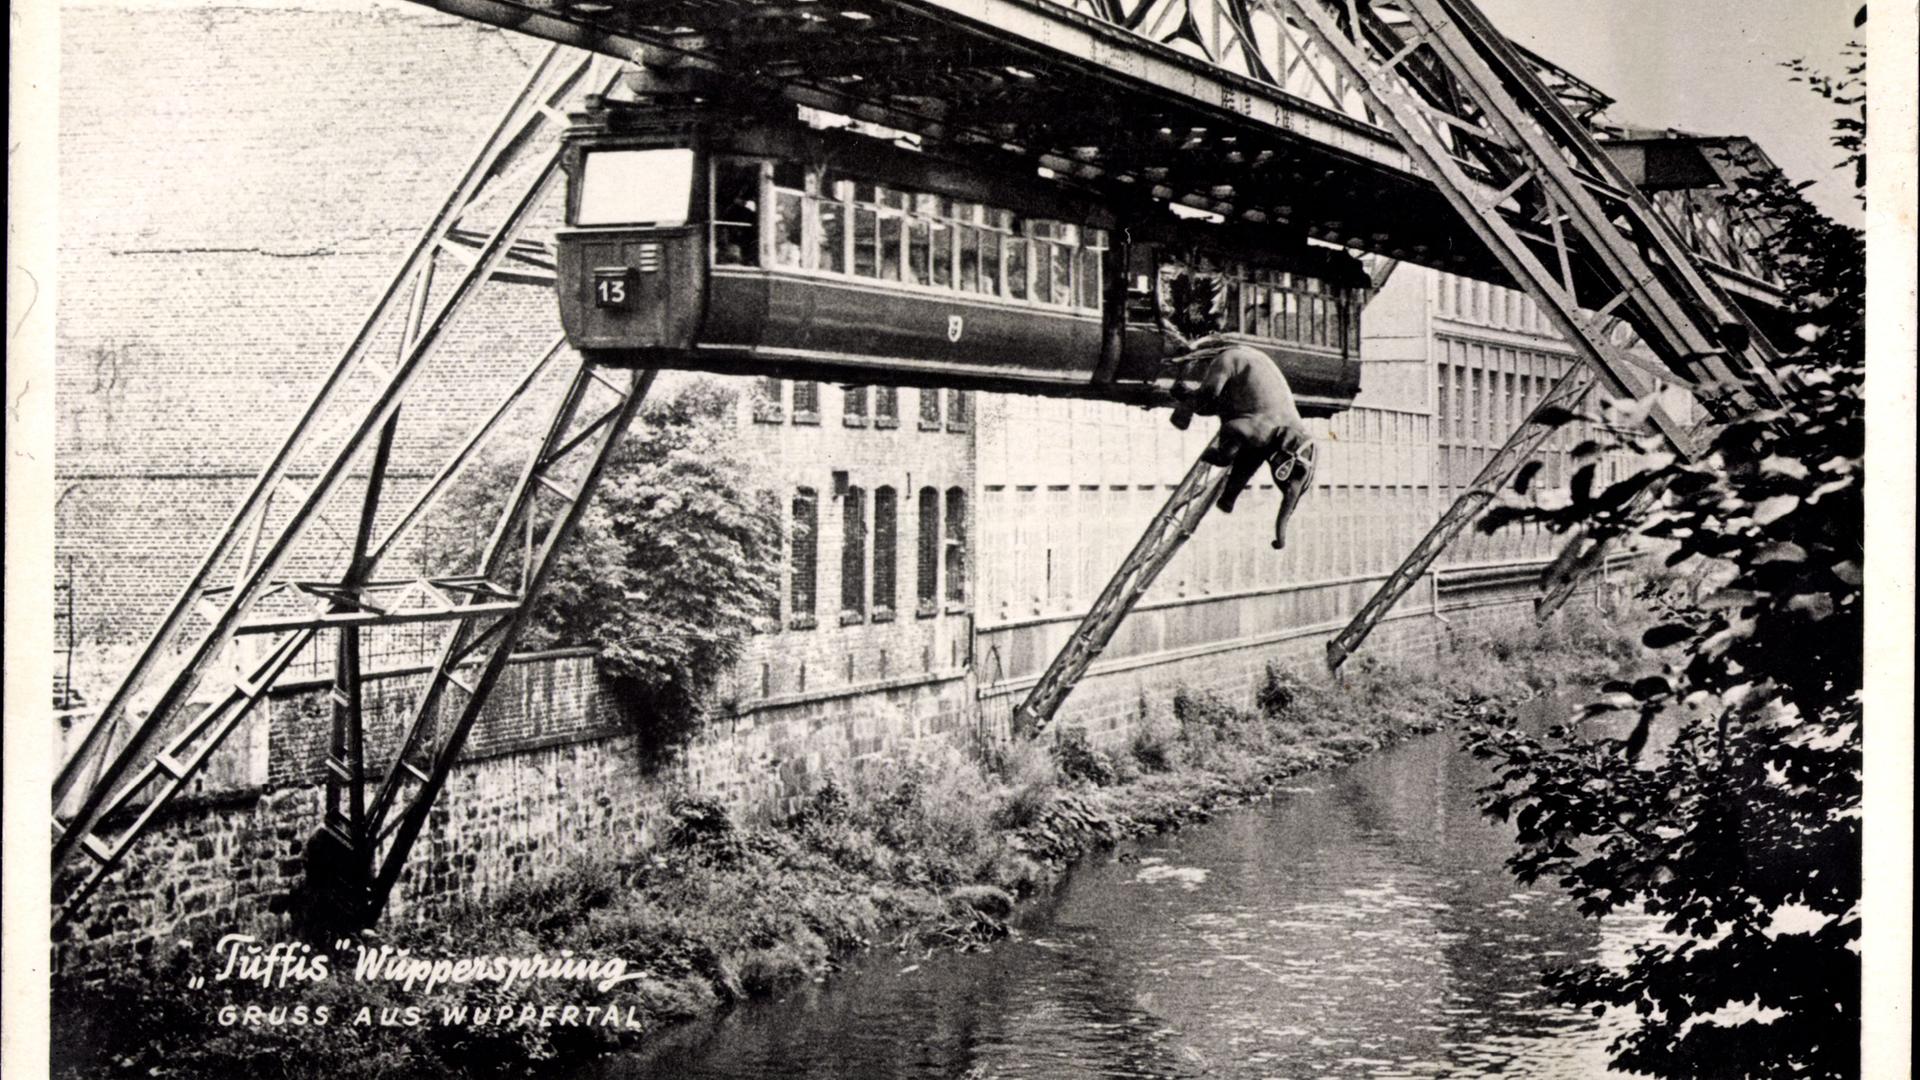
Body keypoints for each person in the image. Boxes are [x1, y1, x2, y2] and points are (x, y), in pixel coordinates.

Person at [1163, 329, 1316, 550]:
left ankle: (1228, 498)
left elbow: (1249, 459)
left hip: (1242, 388)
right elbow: (1233, 427)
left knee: (1252, 453)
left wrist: (1230, 493)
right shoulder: (1268, 430)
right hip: (1235, 364)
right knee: (1207, 400)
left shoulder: (1279, 434)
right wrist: (1223, 456)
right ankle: (1186, 400)